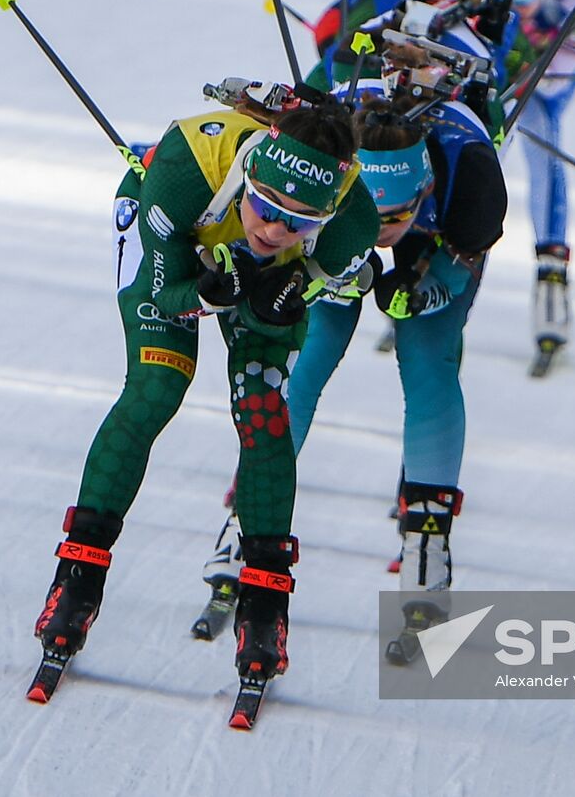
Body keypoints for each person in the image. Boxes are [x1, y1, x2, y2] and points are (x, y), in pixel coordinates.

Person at [33, 92, 380, 692]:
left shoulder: (354, 222)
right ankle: (77, 576)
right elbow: (161, 292)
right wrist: (206, 294)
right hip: (175, 241)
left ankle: (266, 604)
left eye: (299, 221)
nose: (274, 228)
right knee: (155, 389)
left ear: (328, 211)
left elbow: (310, 288)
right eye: (265, 206)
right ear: (247, 176)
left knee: (264, 413)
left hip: (256, 273)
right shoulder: (185, 167)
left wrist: (289, 290)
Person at [201, 45, 507, 660]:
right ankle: (247, 518)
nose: (384, 227)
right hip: (330, 224)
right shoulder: (327, 167)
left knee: (428, 362)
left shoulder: (468, 177)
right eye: (374, 214)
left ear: (423, 187)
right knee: (310, 353)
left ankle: (429, 551)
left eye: (397, 215)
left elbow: (459, 259)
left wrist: (420, 294)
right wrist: (313, 281)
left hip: (440, 234)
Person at [471, 0, 575, 355]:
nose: (519, 9)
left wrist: (532, 58)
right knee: (475, 145)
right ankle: (436, 250)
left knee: (542, 139)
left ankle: (552, 275)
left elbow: (563, 74)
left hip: (545, 70)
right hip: (493, 57)